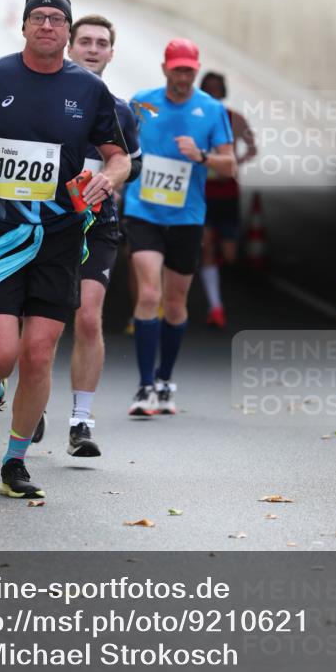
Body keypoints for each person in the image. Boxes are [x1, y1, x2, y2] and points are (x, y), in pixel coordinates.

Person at [0, 0, 130, 499]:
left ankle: (15, 461)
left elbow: (118, 155)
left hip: (59, 238)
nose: (48, 26)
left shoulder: (89, 90)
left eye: (57, 19)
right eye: (38, 18)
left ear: (67, 32)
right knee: (0, 354)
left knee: (38, 354)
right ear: (23, 26)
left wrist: (109, 177)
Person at [36, 14, 141, 457]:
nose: (93, 49)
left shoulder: (120, 110)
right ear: (70, 46)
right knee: (41, 322)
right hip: (46, 220)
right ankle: (33, 401)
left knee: (87, 315)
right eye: (86, 41)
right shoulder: (41, 98)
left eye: (102, 43)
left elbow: (130, 164)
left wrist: (107, 179)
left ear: (111, 53)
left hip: (98, 223)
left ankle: (81, 420)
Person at [124, 39, 236, 416]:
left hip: (187, 217)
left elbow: (229, 165)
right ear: (165, 68)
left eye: (189, 69)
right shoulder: (142, 102)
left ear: (196, 69)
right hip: (143, 212)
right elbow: (116, 144)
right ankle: (143, 387)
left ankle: (165, 379)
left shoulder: (211, 109)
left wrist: (201, 156)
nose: (183, 76)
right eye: (178, 69)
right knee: (149, 293)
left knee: (175, 303)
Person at [199, 71, 257, 328]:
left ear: (223, 92)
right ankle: (216, 307)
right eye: (207, 88)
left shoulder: (236, 119)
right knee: (207, 246)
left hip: (228, 194)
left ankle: (215, 272)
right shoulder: (195, 118)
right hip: (201, 193)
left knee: (229, 253)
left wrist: (234, 163)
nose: (212, 93)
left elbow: (253, 148)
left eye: (216, 88)